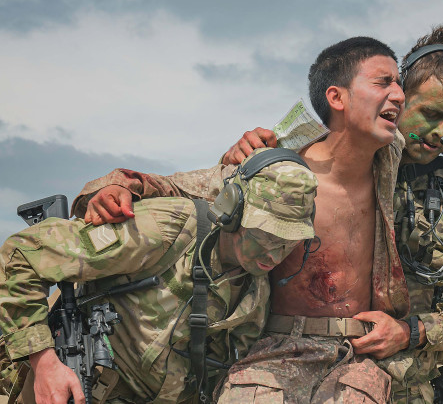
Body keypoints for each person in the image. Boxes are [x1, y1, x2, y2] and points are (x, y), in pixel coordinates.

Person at [70, 37, 412, 403]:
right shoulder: (276, 169)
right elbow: (180, 186)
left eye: (399, 83)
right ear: (337, 98)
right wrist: (113, 186)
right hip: (275, 351)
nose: (399, 94)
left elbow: (440, 133)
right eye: (383, 82)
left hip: (360, 355)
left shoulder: (392, 157)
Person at [213, 25, 443, 403]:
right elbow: (248, 174)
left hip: (404, 383)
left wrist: (410, 331)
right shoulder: (332, 152)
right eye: (430, 114)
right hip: (290, 367)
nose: (440, 133)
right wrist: (243, 151)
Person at [0, 150, 318, 404]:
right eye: (266, 235)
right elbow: (20, 255)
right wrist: (43, 363)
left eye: (288, 241)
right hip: (68, 388)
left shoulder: (257, 294)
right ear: (232, 210)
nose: (275, 254)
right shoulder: (165, 230)